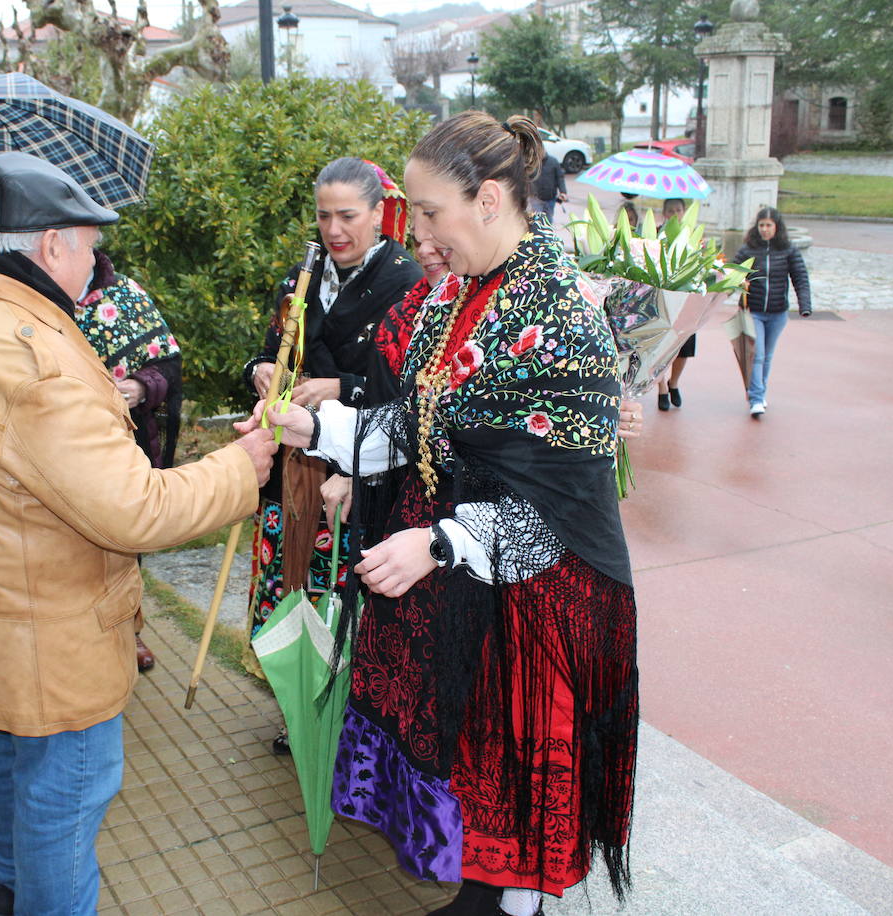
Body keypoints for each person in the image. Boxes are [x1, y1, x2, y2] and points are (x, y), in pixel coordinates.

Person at [243, 112, 639, 916]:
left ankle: (507, 901)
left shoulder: (563, 312)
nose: (417, 234)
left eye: (428, 213)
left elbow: (565, 509)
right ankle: (486, 892)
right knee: (475, 752)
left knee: (521, 765)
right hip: (465, 577)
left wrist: (443, 541)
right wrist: (314, 428)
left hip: (536, 596)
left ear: (489, 198)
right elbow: (416, 425)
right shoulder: (453, 295)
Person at [0, 151, 276, 916]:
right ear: (52, 243)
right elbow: (135, 510)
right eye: (91, 246)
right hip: (50, 630)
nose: (96, 263)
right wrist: (241, 466)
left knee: (7, 761)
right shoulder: (28, 358)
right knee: (64, 800)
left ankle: (6, 894)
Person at [241, 157, 423, 753]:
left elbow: (416, 392)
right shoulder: (304, 275)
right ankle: (301, 707)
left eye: (348, 215)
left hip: (359, 468)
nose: (334, 229)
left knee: (348, 595)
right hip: (294, 466)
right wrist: (262, 370)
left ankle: (350, 720)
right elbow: (270, 352)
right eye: (324, 216)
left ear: (379, 212)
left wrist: (344, 390)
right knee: (292, 584)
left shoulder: (407, 281)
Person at [73, 250, 184, 672]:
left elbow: (168, 364)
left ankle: (130, 630)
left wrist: (140, 385)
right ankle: (84, 636)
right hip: (61, 446)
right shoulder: (36, 300)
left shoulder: (125, 293)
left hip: (124, 443)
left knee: (124, 541)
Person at [734, 206, 812, 418]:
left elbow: (800, 278)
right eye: (761, 225)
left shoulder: (788, 250)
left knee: (767, 356)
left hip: (778, 312)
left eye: (768, 225)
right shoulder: (748, 250)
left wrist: (805, 305)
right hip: (754, 310)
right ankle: (756, 398)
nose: (765, 230)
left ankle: (759, 390)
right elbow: (732, 270)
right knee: (757, 354)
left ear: (777, 227)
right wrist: (737, 280)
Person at [656, 198, 692, 411]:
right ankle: (660, 387)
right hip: (661, 300)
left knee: (684, 349)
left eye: (679, 210)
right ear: (664, 213)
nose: (675, 214)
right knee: (658, 349)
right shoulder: (655, 234)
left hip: (684, 302)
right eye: (671, 211)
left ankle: (674, 382)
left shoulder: (690, 236)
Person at [528, 153, 568, 223]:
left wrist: (563, 192)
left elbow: (560, 178)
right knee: (537, 221)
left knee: (548, 220)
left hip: (550, 198)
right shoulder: (530, 162)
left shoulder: (553, 161)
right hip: (535, 198)